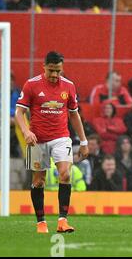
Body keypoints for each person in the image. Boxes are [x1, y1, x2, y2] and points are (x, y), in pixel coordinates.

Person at [15, 51, 89, 234]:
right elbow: (19, 112)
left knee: (65, 174)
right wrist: (26, 131)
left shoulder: (69, 86)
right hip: (37, 140)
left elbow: (74, 114)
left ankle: (62, 221)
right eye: (51, 71)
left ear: (62, 68)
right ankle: (41, 223)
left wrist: (84, 141)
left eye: (58, 71)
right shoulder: (32, 85)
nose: (55, 75)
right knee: (38, 181)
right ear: (44, 67)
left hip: (61, 138)